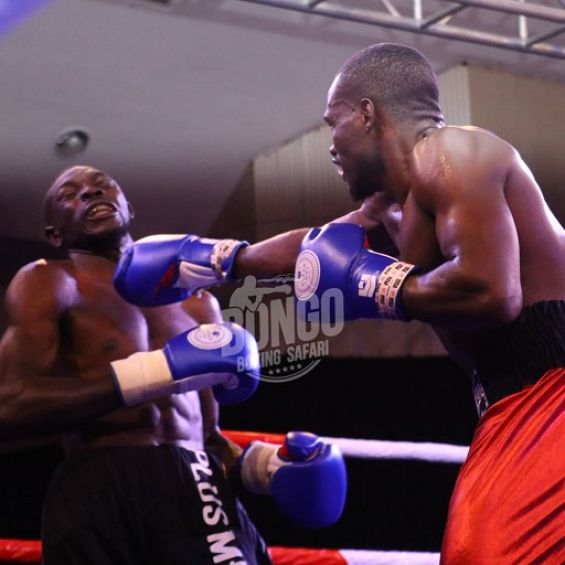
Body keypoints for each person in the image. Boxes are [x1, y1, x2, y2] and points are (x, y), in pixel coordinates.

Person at [114, 43, 565, 564]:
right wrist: (219, 261)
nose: (331, 145)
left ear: (367, 113)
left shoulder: (454, 154)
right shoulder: (398, 204)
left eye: (334, 123)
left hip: (550, 391)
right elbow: (317, 249)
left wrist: (378, 285)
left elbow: (493, 292)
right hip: (512, 406)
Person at [0, 165, 347, 565]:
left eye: (101, 186)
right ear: (54, 233)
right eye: (70, 194)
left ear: (129, 207)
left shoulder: (197, 301)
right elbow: (11, 403)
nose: (90, 194)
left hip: (196, 479)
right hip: (100, 480)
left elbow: (209, 437)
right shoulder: (50, 282)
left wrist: (263, 467)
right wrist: (155, 371)